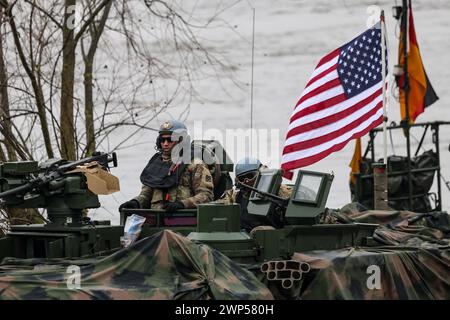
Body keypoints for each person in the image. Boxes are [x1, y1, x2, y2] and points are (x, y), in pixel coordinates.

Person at [119, 120, 214, 213]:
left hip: (183, 219)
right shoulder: (156, 164)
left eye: (170, 140)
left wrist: (182, 204)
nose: (165, 144)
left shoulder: (195, 164)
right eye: (162, 140)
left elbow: (206, 196)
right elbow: (146, 194)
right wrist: (136, 202)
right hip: (156, 220)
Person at [217, 157, 292, 231]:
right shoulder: (234, 196)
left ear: (261, 173)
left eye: (250, 176)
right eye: (242, 178)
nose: (246, 181)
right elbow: (217, 209)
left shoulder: (281, 191)